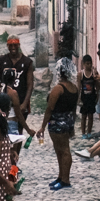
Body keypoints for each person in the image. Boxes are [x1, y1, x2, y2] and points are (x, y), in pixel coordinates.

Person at [37, 53, 81, 190]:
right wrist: (72, 125)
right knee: (60, 150)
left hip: (57, 122)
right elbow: (74, 108)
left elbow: (49, 109)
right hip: (67, 121)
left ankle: (65, 179)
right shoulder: (74, 88)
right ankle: (61, 176)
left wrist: (42, 127)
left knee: (63, 150)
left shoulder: (58, 88)